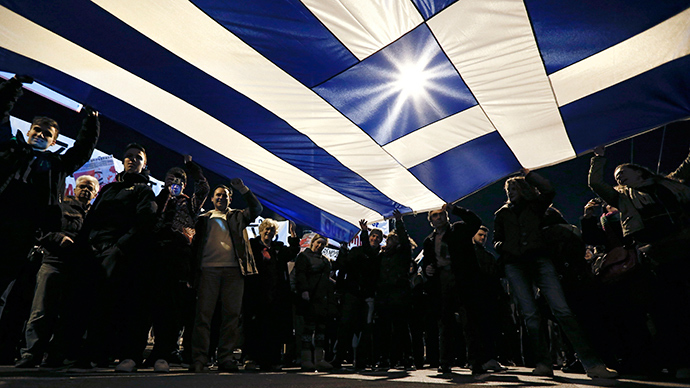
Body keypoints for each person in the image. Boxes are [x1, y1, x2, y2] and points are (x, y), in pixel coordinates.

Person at [0, 74, 100, 363]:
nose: (40, 136)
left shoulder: (56, 165)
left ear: (54, 141)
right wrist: (13, 85)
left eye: (47, 134)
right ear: (28, 132)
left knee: (11, 293)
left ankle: (7, 350)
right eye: (37, 131)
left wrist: (90, 118)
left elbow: (82, 150)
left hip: (25, 233)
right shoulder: (10, 150)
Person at [493, 168, 618, 379]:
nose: (510, 191)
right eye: (508, 188)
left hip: (540, 260)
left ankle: (592, 364)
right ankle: (543, 363)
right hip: (515, 265)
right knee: (530, 315)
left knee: (562, 310)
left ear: (524, 188)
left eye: (514, 187)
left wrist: (529, 174)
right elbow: (496, 240)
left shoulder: (536, 206)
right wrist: (505, 248)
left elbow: (549, 190)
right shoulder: (501, 214)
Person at [589, 145, 690, 378]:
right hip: (656, 253)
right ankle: (680, 361)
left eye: (623, 172)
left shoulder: (669, 183)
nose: (619, 177)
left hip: (684, 244)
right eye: (616, 177)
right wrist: (599, 159)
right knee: (669, 307)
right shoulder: (622, 197)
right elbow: (595, 183)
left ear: (639, 172)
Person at [80, 143, 158, 372]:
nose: (132, 160)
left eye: (138, 158)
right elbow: (91, 219)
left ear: (144, 164)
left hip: (124, 255)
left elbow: (145, 221)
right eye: (128, 157)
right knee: (97, 304)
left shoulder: (145, 190)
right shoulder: (107, 190)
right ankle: (97, 354)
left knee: (126, 306)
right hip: (96, 251)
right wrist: (87, 245)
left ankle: (129, 355)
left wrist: (119, 246)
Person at [14, 175, 99, 368]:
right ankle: (31, 353)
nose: (85, 191)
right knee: (41, 311)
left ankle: (55, 356)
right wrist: (57, 238)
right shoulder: (60, 208)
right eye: (82, 187)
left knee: (68, 315)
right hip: (53, 263)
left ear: (95, 194)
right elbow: (40, 231)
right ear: (75, 189)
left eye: (90, 188)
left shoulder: (95, 216)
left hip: (78, 271)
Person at [189, 180, 263, 373]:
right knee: (203, 315)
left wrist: (243, 189)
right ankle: (199, 358)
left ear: (230, 199)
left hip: (234, 270)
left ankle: (226, 358)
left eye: (225, 195)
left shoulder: (238, 216)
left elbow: (256, 208)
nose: (221, 197)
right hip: (208, 270)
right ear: (213, 198)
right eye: (218, 194)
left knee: (231, 316)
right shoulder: (204, 218)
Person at [145, 155, 209, 372]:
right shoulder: (157, 199)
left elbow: (203, 187)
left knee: (172, 306)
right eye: (172, 178)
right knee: (154, 303)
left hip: (178, 255)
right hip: (155, 254)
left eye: (179, 180)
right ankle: (152, 351)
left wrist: (191, 167)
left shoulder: (189, 202)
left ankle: (166, 350)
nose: (175, 182)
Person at [421, 203, 483, 376]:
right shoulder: (429, 240)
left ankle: (475, 362)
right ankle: (445, 362)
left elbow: (475, 221)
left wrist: (456, 209)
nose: (439, 218)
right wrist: (428, 269)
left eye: (441, 214)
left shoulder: (459, 230)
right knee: (445, 324)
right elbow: (427, 260)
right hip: (442, 282)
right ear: (430, 220)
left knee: (469, 322)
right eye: (435, 215)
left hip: (463, 280)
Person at [243, 218, 300, 371]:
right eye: (266, 229)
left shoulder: (279, 248)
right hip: (257, 293)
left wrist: (293, 237)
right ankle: (253, 359)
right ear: (261, 230)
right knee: (256, 327)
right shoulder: (253, 246)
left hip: (276, 295)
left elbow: (293, 252)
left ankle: (272, 360)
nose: (268, 232)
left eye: (272, 230)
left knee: (274, 328)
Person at [332, 221, 381, 370]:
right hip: (352, 293)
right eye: (373, 236)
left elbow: (369, 254)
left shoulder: (378, 256)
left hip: (366, 296)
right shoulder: (356, 251)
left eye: (377, 237)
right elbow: (343, 268)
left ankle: (360, 360)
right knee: (346, 326)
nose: (375, 239)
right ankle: (339, 358)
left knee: (363, 329)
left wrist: (364, 232)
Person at [373, 209, 416, 371]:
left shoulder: (403, 253)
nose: (387, 242)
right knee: (384, 328)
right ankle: (385, 358)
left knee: (401, 327)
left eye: (391, 239)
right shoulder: (381, 256)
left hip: (399, 294)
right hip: (384, 295)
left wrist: (399, 222)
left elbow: (405, 241)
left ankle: (406, 357)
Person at [294, 234, 335, 371]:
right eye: (318, 242)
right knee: (308, 328)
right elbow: (300, 275)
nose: (320, 246)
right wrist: (304, 291)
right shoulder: (303, 257)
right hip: (309, 298)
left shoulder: (325, 261)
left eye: (323, 244)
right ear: (313, 242)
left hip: (321, 299)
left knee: (321, 329)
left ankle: (319, 359)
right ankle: (306, 359)